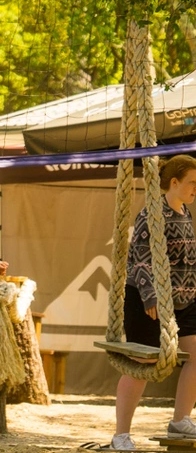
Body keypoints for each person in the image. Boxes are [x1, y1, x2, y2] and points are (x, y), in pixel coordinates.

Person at [110, 155, 196, 450]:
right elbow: (142, 260)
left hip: (183, 299)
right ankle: (121, 434)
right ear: (174, 183)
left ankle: (180, 420)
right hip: (148, 300)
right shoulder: (151, 215)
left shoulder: (186, 212)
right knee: (141, 363)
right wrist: (150, 296)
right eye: (192, 183)